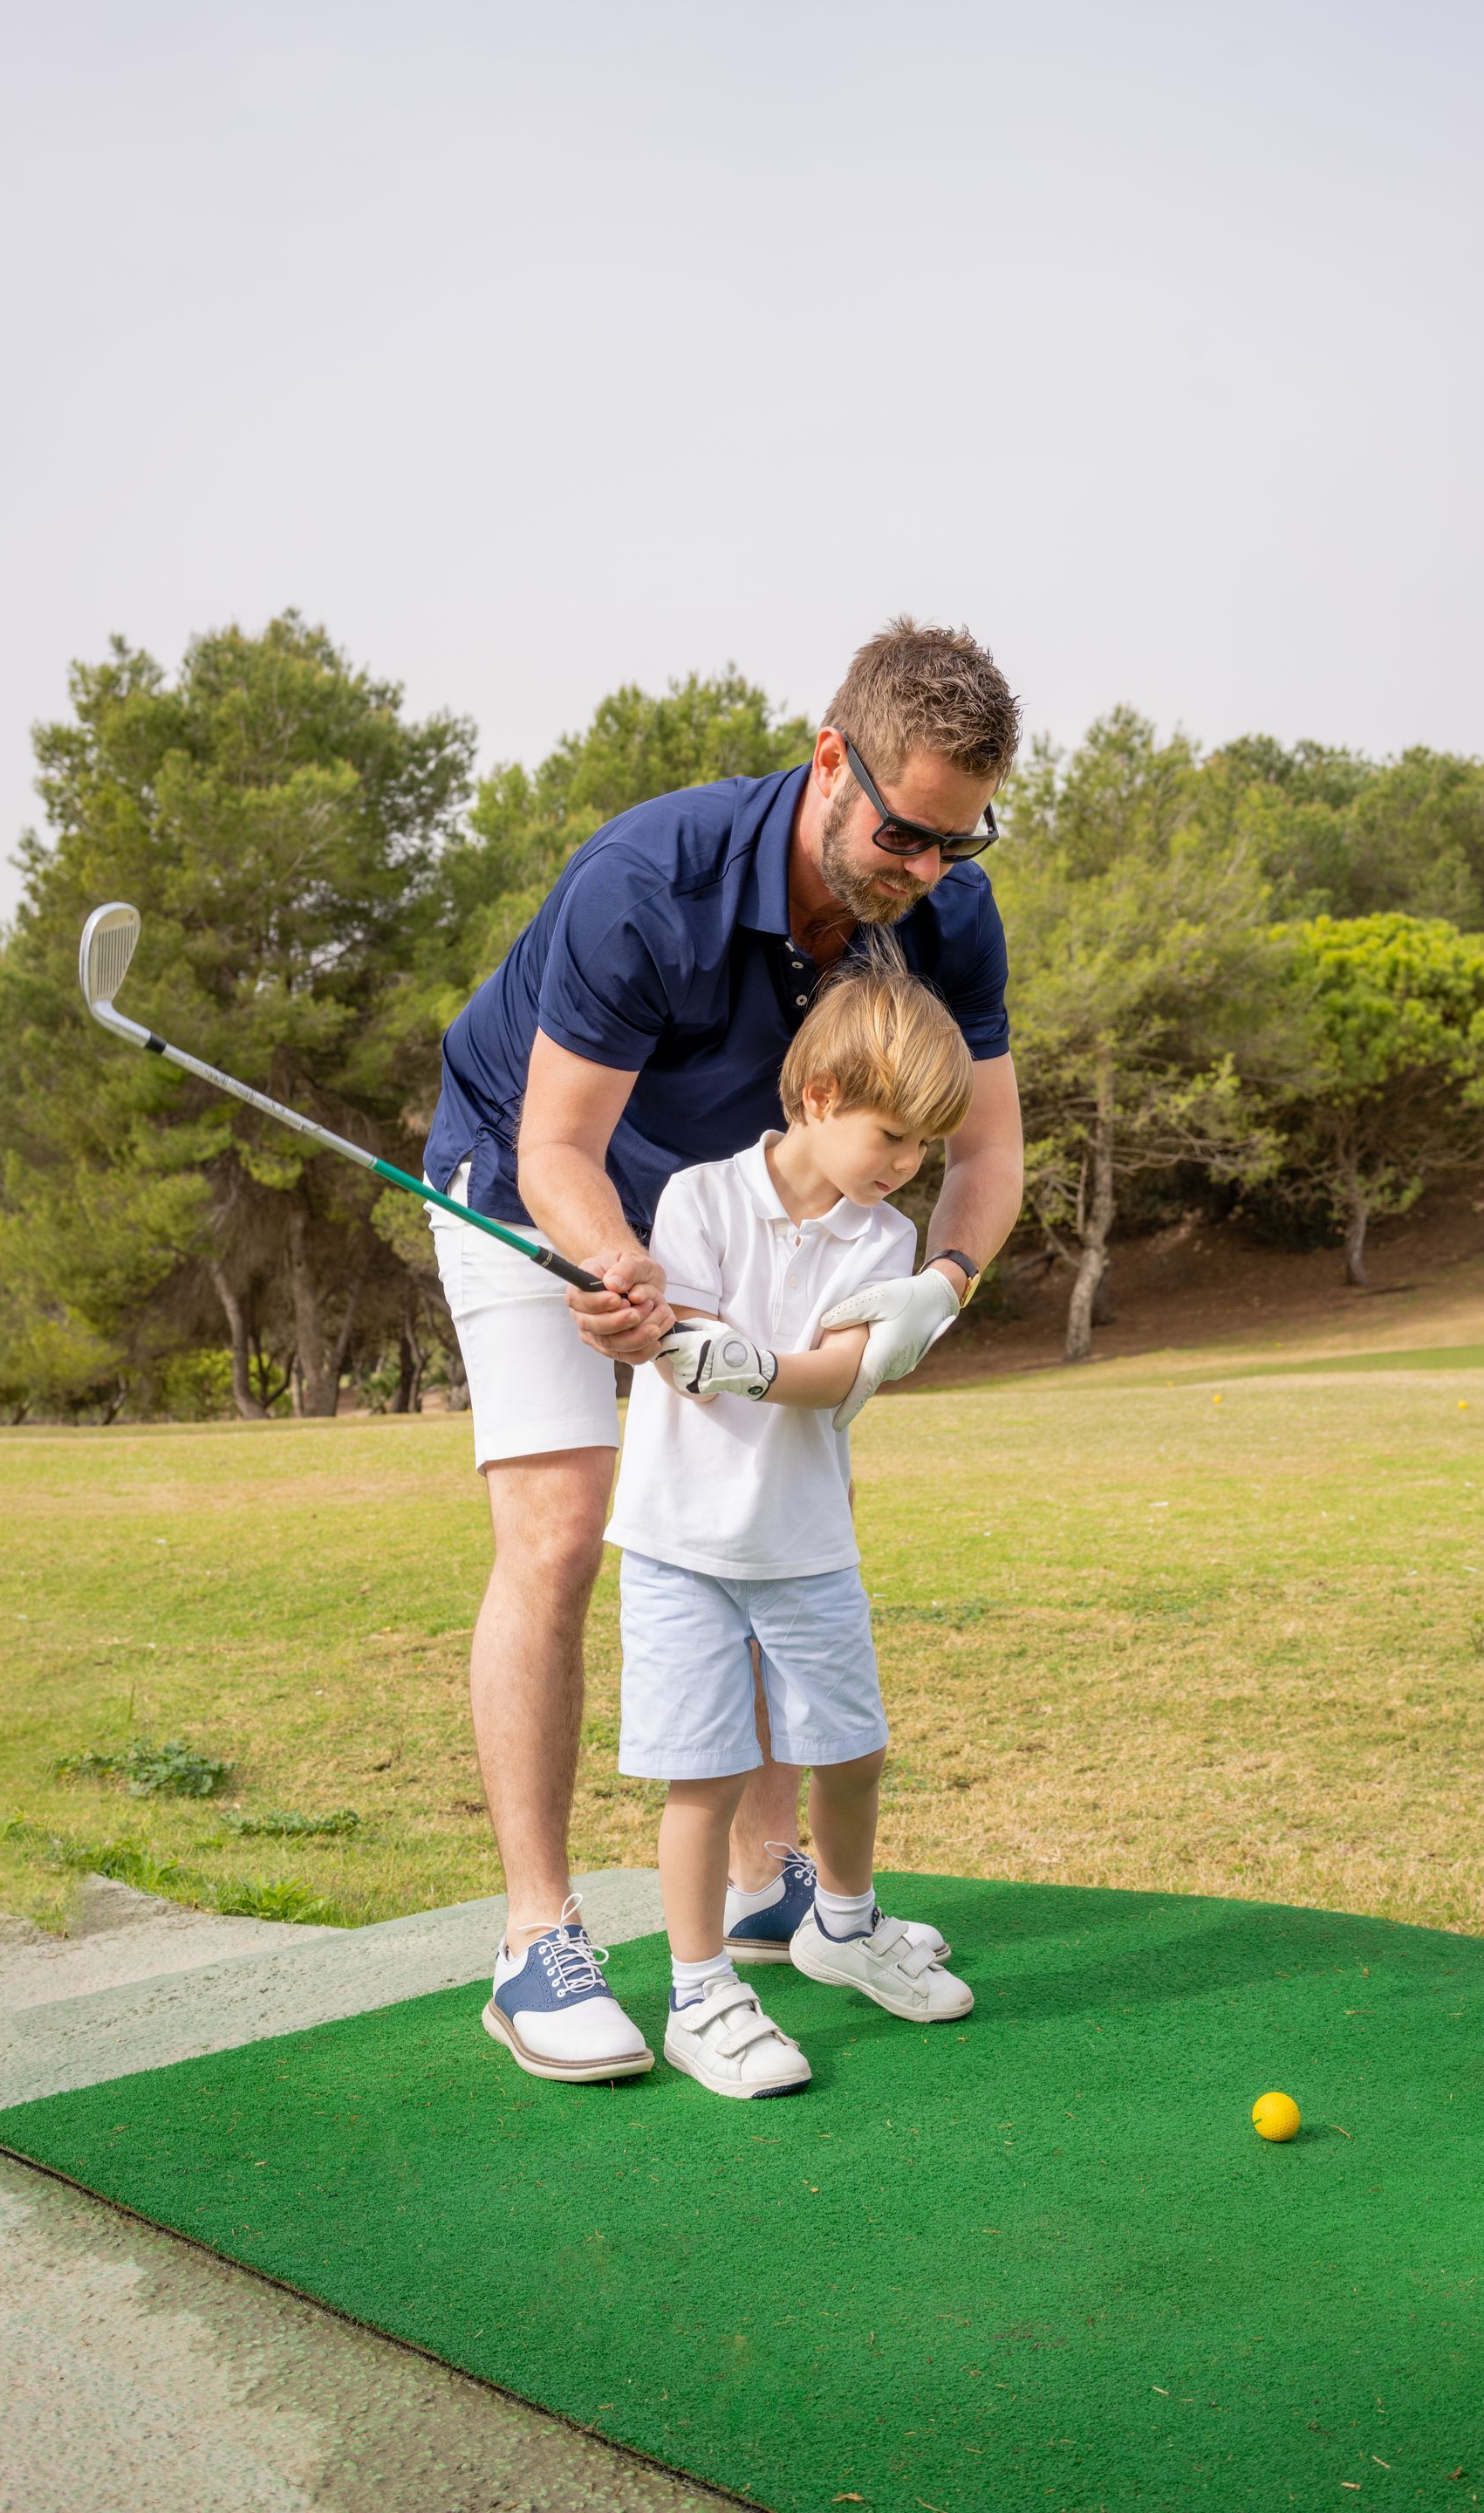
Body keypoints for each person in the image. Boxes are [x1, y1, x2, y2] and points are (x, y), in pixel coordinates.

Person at [424, 620, 1025, 2081]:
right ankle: (535, 1939)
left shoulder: (948, 911)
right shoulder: (654, 880)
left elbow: (990, 1153)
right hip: (534, 1189)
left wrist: (933, 1290)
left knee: (769, 1515)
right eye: (907, 831)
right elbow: (557, 1141)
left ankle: (774, 1894)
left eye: (964, 837)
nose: (929, 870)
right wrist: (618, 1270)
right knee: (566, 1527)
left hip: (758, 1218)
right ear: (833, 758)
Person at [594, 959, 976, 2096]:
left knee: (851, 1751)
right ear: (817, 1098)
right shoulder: (699, 1197)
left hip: (805, 1543)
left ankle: (843, 1930)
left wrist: (749, 1362)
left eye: (924, 1147)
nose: (907, 1166)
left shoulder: (881, 1240)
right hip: (680, 1544)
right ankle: (700, 1991)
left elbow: (839, 1373)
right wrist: (678, 1332)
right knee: (702, 1777)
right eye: (893, 1137)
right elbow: (683, 1346)